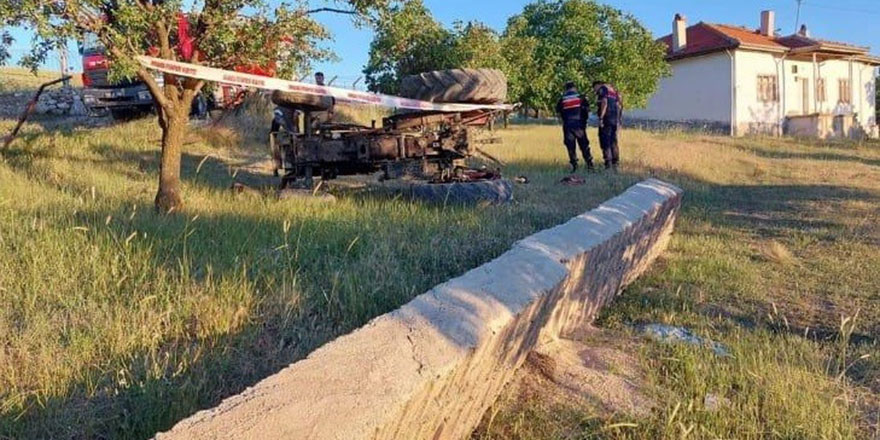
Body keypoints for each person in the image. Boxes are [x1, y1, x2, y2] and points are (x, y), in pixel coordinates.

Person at [555, 81, 594, 173]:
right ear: (574, 88)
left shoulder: (562, 99)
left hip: (568, 125)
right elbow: (587, 110)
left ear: (566, 89)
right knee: (584, 145)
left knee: (570, 146)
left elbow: (558, 112)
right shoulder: (581, 98)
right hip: (579, 125)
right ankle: (589, 165)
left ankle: (574, 166)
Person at [593, 81, 623, 170]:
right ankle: (615, 163)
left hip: (606, 120)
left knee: (605, 141)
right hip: (614, 120)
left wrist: (601, 118)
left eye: (594, 88)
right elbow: (619, 106)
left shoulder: (603, 89)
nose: (595, 91)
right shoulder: (614, 91)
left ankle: (608, 164)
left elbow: (604, 102)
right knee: (613, 142)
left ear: (598, 85)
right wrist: (619, 120)